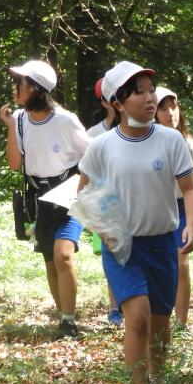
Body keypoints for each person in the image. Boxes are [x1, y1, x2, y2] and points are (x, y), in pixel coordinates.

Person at [78, 62, 193, 384]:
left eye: (151, 90)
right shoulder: (102, 146)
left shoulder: (170, 140)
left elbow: (189, 187)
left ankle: (158, 379)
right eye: (139, 92)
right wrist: (103, 231)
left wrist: (192, 221)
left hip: (162, 242)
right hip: (122, 246)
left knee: (161, 319)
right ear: (117, 102)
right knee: (139, 317)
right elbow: (84, 192)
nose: (150, 98)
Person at [0, 59, 89, 337]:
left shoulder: (65, 120)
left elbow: (93, 153)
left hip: (70, 191)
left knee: (64, 254)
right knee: (50, 257)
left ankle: (69, 321)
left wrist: (83, 187)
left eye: (21, 82)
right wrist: (11, 127)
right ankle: (64, 317)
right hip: (39, 196)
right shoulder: (20, 119)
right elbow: (15, 163)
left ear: (36, 88)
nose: (15, 88)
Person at [155, 86, 193, 330]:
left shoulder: (187, 141)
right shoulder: (147, 141)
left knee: (182, 263)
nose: (169, 113)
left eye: (172, 106)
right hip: (157, 209)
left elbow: (192, 182)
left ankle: (181, 323)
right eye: (162, 108)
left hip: (182, 209)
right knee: (164, 265)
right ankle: (159, 316)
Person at [86, 77, 121, 325]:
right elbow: (86, 177)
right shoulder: (93, 135)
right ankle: (115, 308)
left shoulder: (148, 130)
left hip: (139, 205)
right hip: (107, 207)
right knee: (113, 256)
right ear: (104, 102)